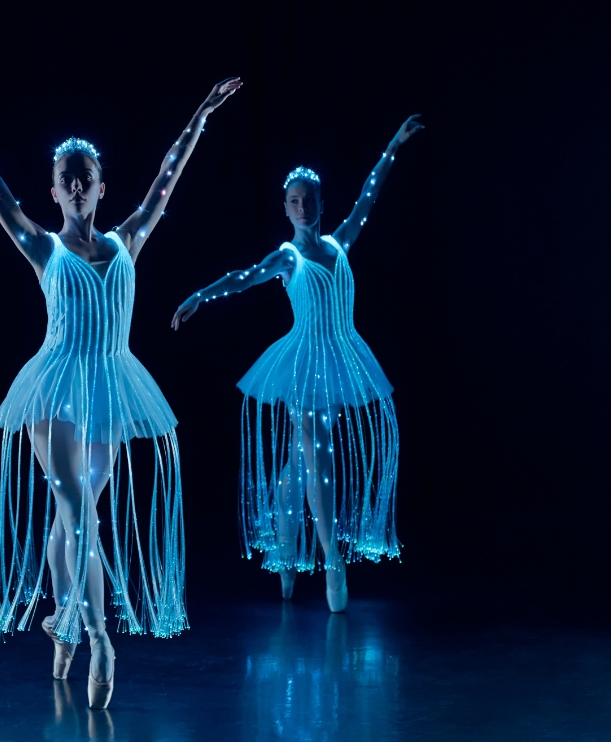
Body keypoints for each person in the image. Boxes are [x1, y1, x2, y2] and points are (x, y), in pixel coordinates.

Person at [0, 67, 240, 708]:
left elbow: (167, 181)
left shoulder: (128, 240)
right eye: (69, 177)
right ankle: (98, 638)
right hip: (54, 387)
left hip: (111, 386)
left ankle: (62, 617)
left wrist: (200, 113)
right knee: (77, 512)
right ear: (57, 191)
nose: (80, 184)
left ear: (101, 187)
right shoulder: (42, 247)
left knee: (73, 519)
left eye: (88, 174)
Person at [172, 115, 424, 612]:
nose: (303, 207)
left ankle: (287, 555)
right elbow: (245, 277)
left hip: (344, 353)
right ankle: (332, 559)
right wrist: (203, 293)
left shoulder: (339, 242)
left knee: (298, 464)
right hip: (304, 361)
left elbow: (370, 195)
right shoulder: (289, 256)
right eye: (294, 201)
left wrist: (393, 143)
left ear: (322, 204)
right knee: (320, 455)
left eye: (309, 199)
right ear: (285, 209)